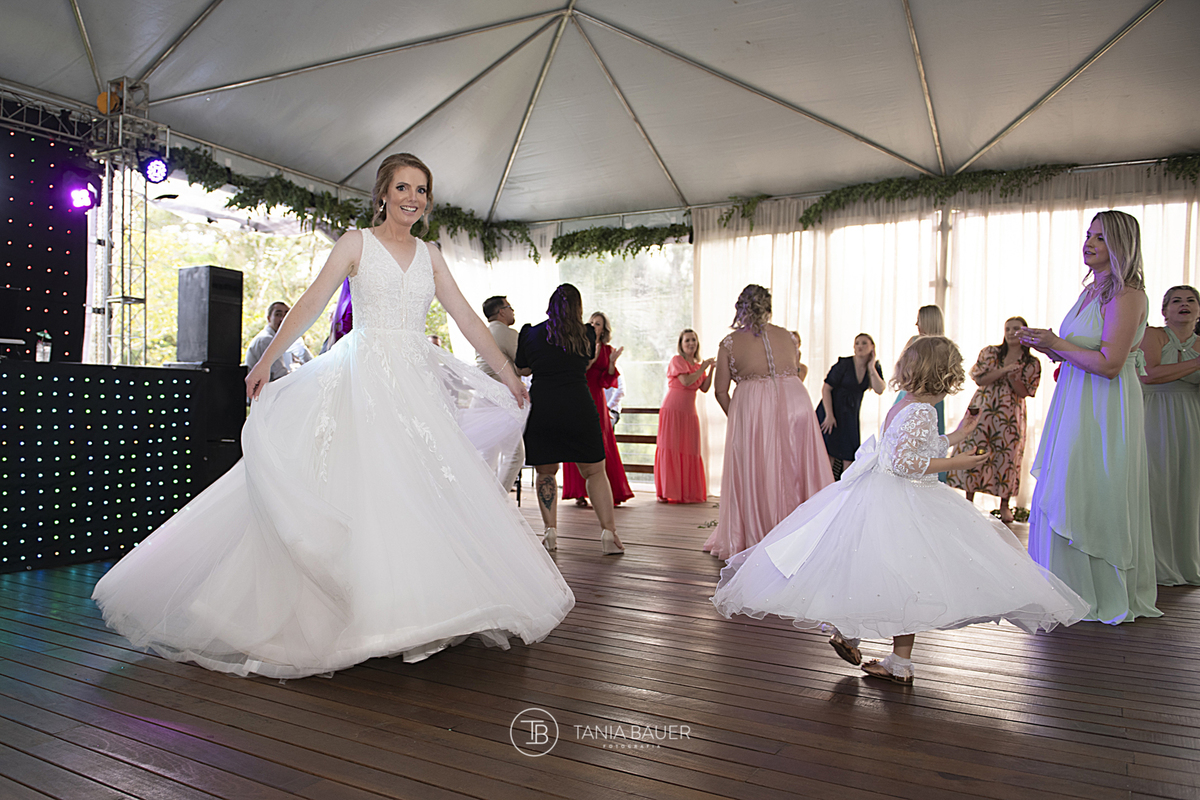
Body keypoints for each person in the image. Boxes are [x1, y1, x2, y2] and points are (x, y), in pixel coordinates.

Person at [92, 153, 575, 678]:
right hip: (364, 379)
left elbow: (463, 315)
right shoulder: (355, 243)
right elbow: (311, 304)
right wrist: (269, 358)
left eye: (422, 190)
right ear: (383, 194)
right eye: (404, 188)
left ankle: (420, 610)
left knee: (418, 489)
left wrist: (506, 372)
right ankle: (363, 611)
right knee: (366, 486)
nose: (413, 198)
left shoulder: (431, 254)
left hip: (416, 382)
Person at [711, 336, 1087, 685]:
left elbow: (913, 447)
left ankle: (862, 638)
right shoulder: (921, 411)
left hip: (877, 494)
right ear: (943, 376)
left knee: (875, 570)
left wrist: (958, 436)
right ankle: (895, 659)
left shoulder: (906, 404)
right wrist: (961, 463)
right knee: (909, 580)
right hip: (904, 499)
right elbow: (908, 462)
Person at [1021, 210, 1161, 624]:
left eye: (1099, 237)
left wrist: (1057, 342)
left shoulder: (1127, 294)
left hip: (1105, 403)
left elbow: (1110, 363)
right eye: (1087, 235)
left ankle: (1097, 589)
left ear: (1119, 244)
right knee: (1067, 481)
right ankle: (1064, 585)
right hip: (1075, 397)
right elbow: (1080, 351)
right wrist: (1048, 347)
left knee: (1092, 484)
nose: (1088, 243)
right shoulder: (1089, 292)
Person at [702, 285, 833, 560]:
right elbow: (795, 369)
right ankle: (806, 531)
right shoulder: (786, 335)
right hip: (796, 402)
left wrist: (740, 419)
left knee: (763, 468)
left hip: (755, 407)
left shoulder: (729, 342)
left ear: (740, 307)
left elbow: (720, 390)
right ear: (768, 307)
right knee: (798, 467)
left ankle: (761, 533)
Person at [517, 285, 624, 555]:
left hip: (543, 408)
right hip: (579, 406)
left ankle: (550, 531)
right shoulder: (586, 333)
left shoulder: (530, 333)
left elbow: (523, 367)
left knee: (546, 472)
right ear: (578, 308)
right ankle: (609, 533)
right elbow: (586, 361)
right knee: (595, 471)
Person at [946, 317, 1041, 523]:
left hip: (1010, 415)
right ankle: (968, 500)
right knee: (974, 449)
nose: (1011, 332)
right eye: (1008, 328)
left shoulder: (1032, 362)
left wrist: (1015, 378)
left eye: (1016, 328)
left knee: (1008, 455)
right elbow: (979, 379)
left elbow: (1026, 392)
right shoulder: (990, 353)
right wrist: (1004, 370)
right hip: (983, 410)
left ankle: (1004, 505)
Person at [1139, 285, 1200, 585]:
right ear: (1164, 310)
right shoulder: (1153, 335)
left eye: (1191, 301)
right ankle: (1154, 562)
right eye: (1176, 300)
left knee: (1188, 486)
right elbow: (1150, 374)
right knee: (1156, 483)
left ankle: (1186, 560)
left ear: (1199, 310)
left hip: (1191, 417)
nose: (1184, 305)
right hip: (1155, 413)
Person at [562, 312, 634, 507]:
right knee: (576, 441)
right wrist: (592, 358)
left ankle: (609, 492)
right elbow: (575, 371)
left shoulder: (608, 350)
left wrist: (611, 363)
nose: (594, 326)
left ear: (604, 329)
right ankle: (579, 492)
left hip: (597, 398)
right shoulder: (579, 347)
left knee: (602, 442)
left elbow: (607, 381)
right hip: (578, 396)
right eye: (591, 322)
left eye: (598, 324)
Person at [655, 328, 715, 504]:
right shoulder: (677, 360)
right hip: (673, 410)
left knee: (690, 449)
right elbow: (686, 381)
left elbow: (704, 388)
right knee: (671, 446)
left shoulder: (697, 366)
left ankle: (686, 492)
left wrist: (710, 370)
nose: (691, 343)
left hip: (689, 412)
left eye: (693, 340)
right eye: (687, 340)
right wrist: (703, 367)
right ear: (681, 344)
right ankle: (666, 491)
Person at [477, 295, 529, 492]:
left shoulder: (482, 332)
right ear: (501, 311)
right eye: (510, 307)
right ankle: (496, 502)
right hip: (501, 399)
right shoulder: (507, 333)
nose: (512, 311)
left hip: (482, 398)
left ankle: (481, 497)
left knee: (488, 455)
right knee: (515, 455)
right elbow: (523, 368)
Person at [816, 333, 885, 479]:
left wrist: (871, 366)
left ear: (872, 347)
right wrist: (829, 415)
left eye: (864, 343)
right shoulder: (844, 364)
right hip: (831, 412)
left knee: (849, 454)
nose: (860, 346)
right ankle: (826, 490)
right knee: (829, 453)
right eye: (857, 343)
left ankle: (845, 491)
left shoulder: (873, 367)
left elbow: (879, 389)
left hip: (850, 416)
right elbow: (826, 388)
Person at [244, 301, 313, 381]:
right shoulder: (266, 340)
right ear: (269, 318)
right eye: (278, 315)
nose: (283, 319)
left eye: (286, 315)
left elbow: (311, 365)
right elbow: (280, 376)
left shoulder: (287, 341)